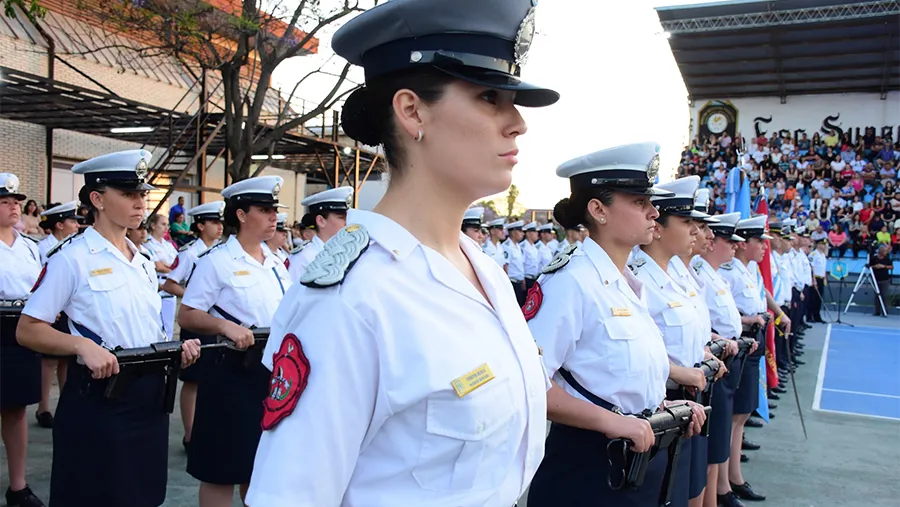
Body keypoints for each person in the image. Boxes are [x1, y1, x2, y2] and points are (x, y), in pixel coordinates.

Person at [245, 0, 558, 504]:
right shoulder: (352, 298)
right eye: (489, 97)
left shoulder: (485, 273)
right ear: (412, 111)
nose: (517, 122)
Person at [524, 142, 706, 507]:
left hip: (639, 454)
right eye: (639, 202)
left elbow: (619, 378)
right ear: (598, 210)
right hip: (589, 467)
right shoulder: (570, 282)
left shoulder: (626, 284)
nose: (654, 212)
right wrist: (614, 422)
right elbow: (528, 383)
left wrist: (663, 407)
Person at [16, 150, 201, 507]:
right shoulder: (72, 258)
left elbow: (146, 329)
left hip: (148, 397)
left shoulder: (142, 261)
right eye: (128, 194)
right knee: (96, 494)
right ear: (98, 200)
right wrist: (80, 345)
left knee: (143, 494)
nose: (140, 202)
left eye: (141, 194)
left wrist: (176, 350)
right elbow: (28, 328)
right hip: (100, 398)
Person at [177, 175, 292, 507]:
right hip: (231, 372)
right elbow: (188, 314)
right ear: (241, 215)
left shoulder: (275, 262)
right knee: (222, 468)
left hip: (271, 371)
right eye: (265, 210)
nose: (274, 217)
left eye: (274, 210)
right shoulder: (217, 262)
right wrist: (224, 325)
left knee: (257, 467)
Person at [630, 176, 724, 507]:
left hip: (688, 400)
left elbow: (690, 335)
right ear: (659, 229)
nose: (697, 231)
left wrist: (705, 354)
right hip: (661, 403)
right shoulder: (637, 278)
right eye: (687, 222)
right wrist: (680, 372)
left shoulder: (678, 275)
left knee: (689, 486)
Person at [717, 215, 791, 505]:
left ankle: (732, 478)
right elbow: (720, 313)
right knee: (734, 418)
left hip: (752, 341)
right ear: (742, 244)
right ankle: (728, 483)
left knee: (741, 415)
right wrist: (749, 319)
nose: (764, 246)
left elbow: (762, 296)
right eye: (758, 241)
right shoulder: (729, 272)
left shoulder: (749, 270)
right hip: (739, 341)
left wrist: (776, 314)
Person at [160, 201, 225, 451]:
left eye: (220, 222)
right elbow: (170, 284)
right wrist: (196, 298)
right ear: (200, 226)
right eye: (213, 222)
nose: (219, 227)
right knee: (193, 380)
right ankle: (190, 434)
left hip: (216, 321)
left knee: (214, 378)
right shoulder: (190, 253)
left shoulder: (222, 252)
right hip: (196, 321)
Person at [0, 174, 45, 507]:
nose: (14, 207)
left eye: (16, 201)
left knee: (16, 409)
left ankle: (18, 486)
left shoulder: (29, 247)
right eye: (5, 202)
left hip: (19, 328)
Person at [34, 201, 82, 428]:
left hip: (68, 308)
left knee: (66, 358)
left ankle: (66, 402)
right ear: (60, 224)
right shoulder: (44, 247)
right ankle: (43, 407)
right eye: (72, 221)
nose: (77, 225)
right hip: (52, 307)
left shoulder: (74, 246)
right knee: (49, 361)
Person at [286, 186, 353, 281]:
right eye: (342, 218)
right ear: (321, 221)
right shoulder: (304, 258)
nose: (348, 222)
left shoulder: (345, 254)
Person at [144, 213, 179, 340]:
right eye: (163, 224)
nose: (166, 228)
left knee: (169, 326)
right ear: (153, 225)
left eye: (167, 225)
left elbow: (177, 264)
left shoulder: (168, 245)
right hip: (157, 285)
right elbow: (158, 266)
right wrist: (171, 268)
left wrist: (169, 267)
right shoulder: (148, 244)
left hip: (170, 285)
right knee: (155, 325)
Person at [503, 220, 526, 304]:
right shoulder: (507, 246)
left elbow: (520, 265)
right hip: (512, 283)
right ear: (513, 233)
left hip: (519, 282)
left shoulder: (518, 246)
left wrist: (523, 279)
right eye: (520, 231)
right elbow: (505, 266)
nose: (523, 234)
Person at [870, 243, 892, 316]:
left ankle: (885, 311)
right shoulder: (874, 258)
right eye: (884, 251)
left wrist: (884, 266)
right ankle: (877, 311)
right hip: (875, 279)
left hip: (885, 279)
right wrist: (875, 266)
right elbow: (869, 266)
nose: (885, 252)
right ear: (880, 252)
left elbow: (891, 267)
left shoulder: (887, 259)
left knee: (884, 296)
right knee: (877, 296)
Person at [809, 240, 828, 323]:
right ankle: (810, 315)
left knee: (819, 299)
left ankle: (817, 315)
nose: (824, 246)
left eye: (824, 244)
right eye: (822, 244)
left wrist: (825, 278)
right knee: (813, 298)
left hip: (821, 278)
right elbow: (812, 267)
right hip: (815, 277)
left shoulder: (823, 255)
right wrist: (813, 280)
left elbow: (823, 267)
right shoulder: (814, 254)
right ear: (818, 245)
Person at [521, 221, 540, 291]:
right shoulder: (523, 246)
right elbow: (521, 264)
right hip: (526, 279)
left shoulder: (534, 247)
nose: (537, 234)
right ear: (528, 234)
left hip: (534, 278)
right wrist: (523, 280)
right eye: (534, 231)